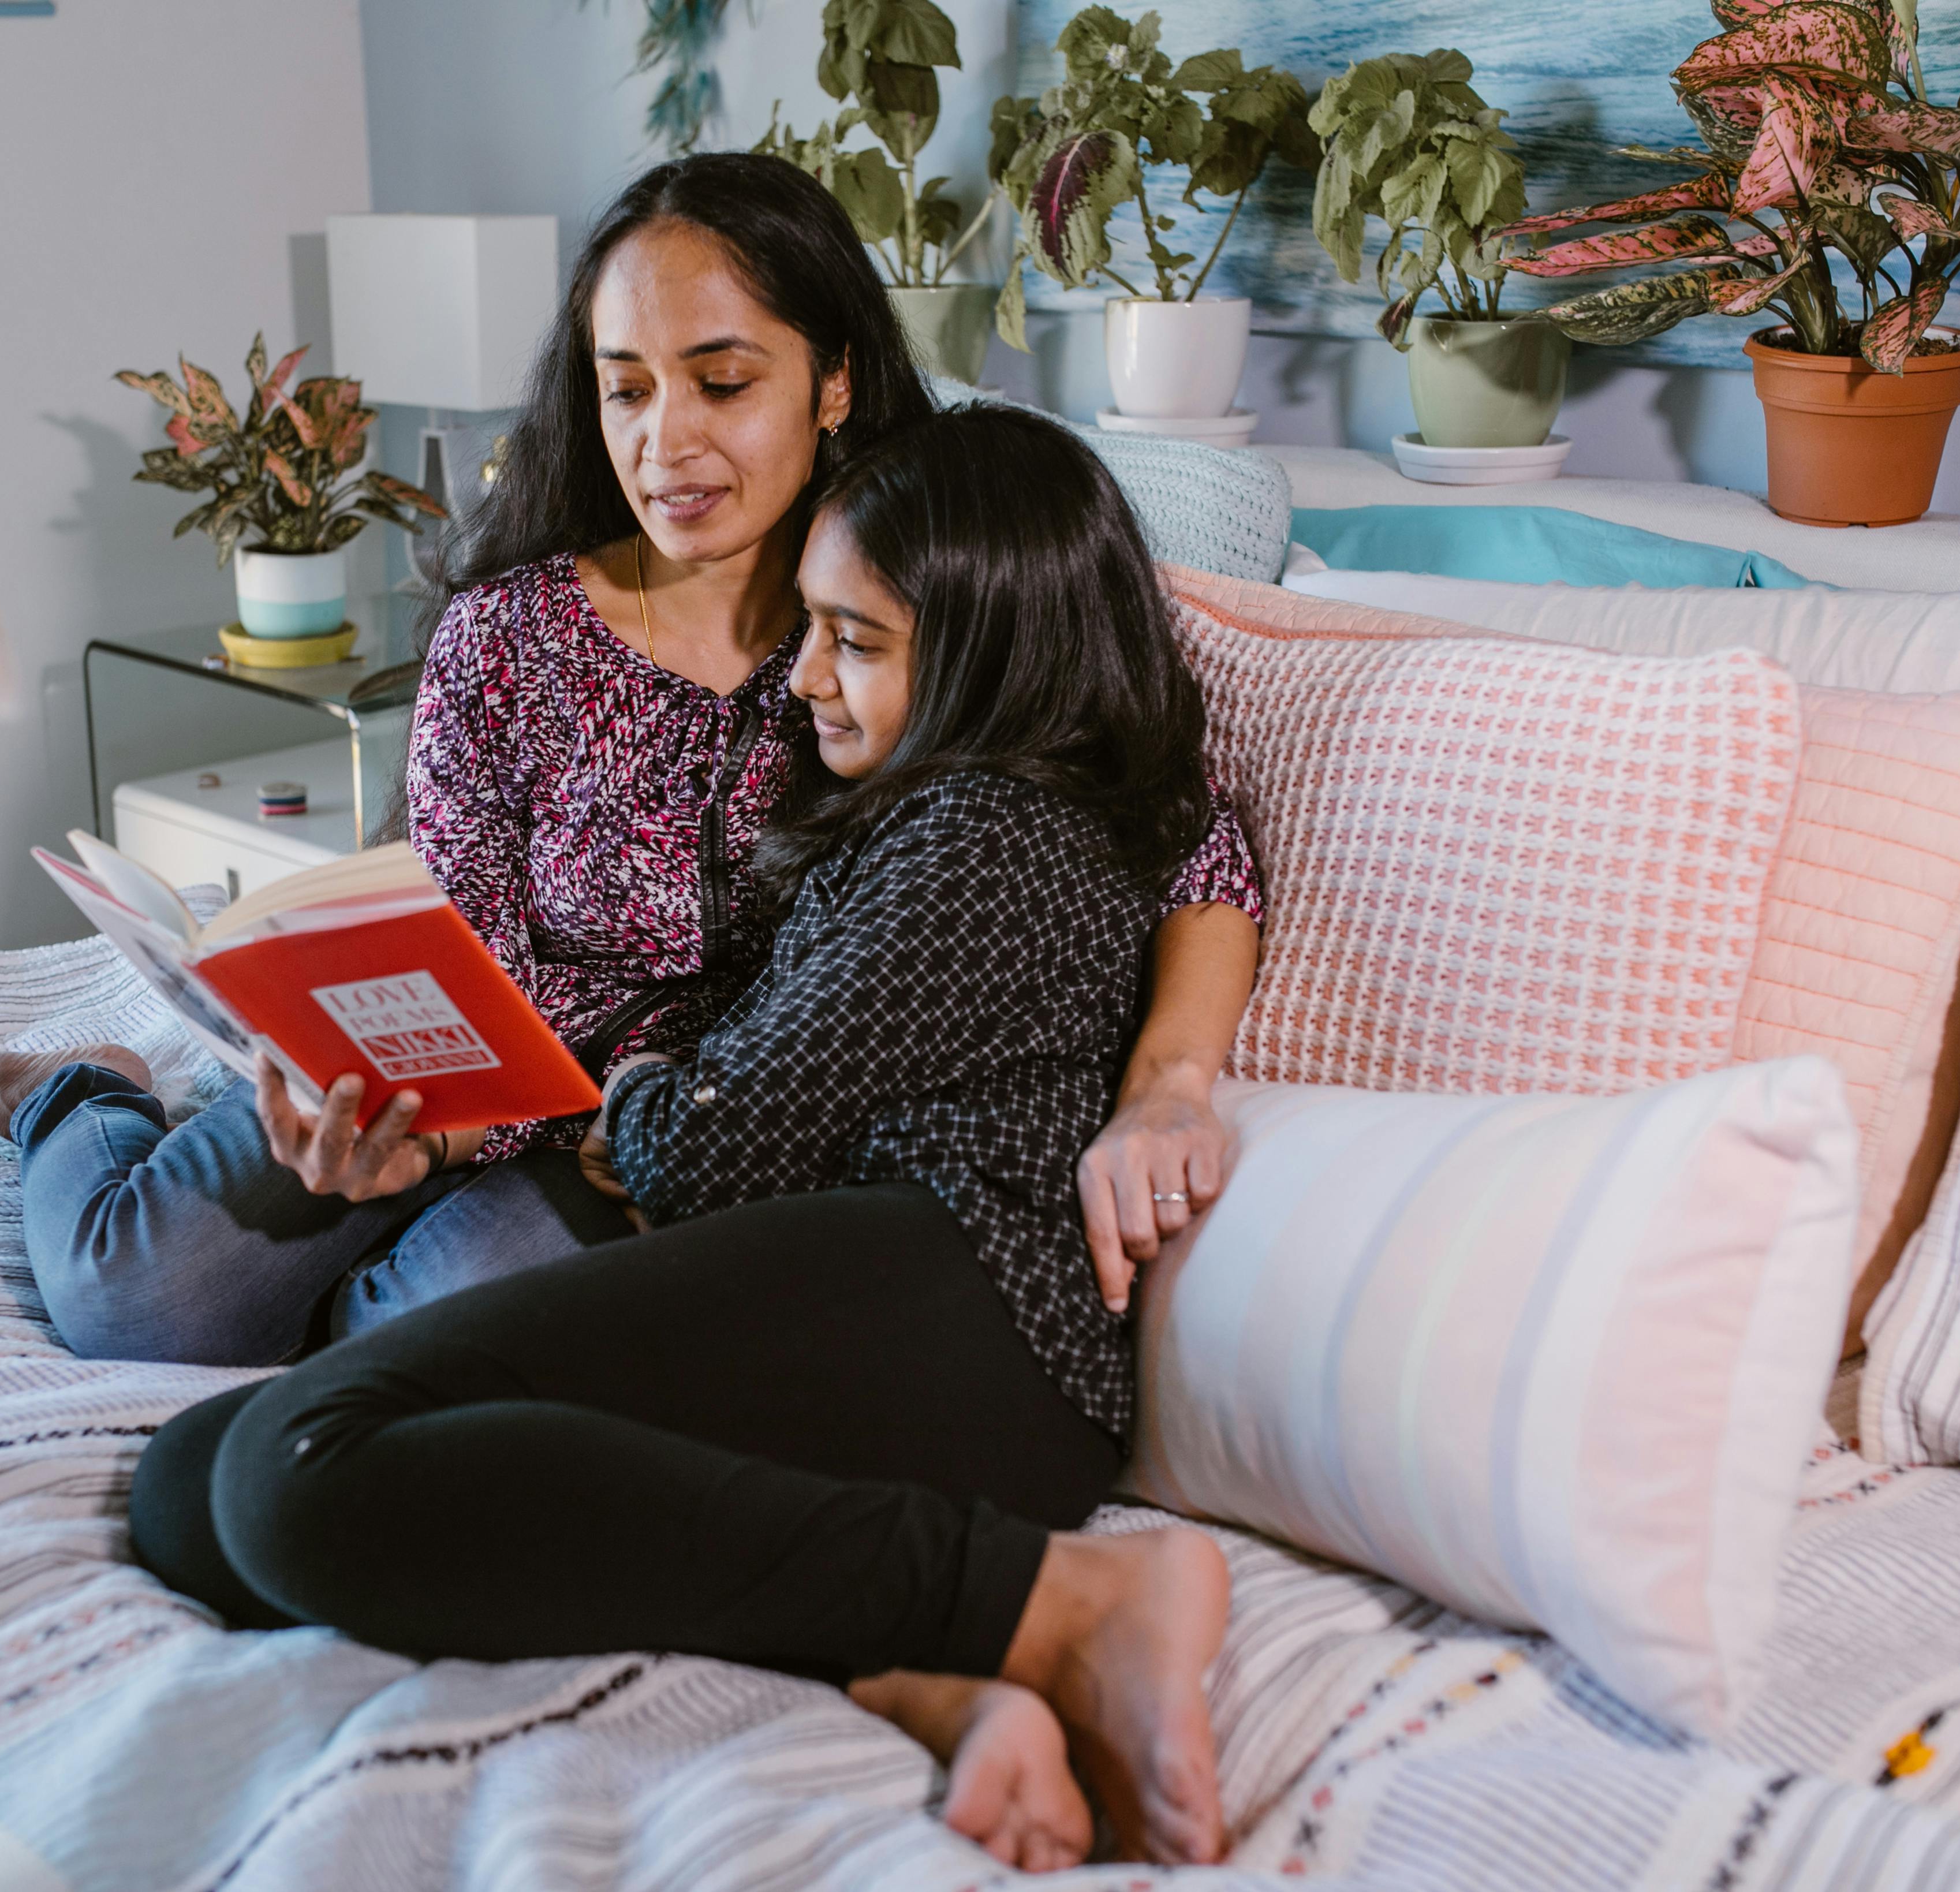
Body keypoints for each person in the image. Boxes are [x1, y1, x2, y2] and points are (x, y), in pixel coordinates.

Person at [0, 150, 1257, 1394]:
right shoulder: (510, 636)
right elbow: (456, 950)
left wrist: (1170, 1086)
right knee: (130, 1297)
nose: (664, 442)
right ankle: (72, 1097)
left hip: (657, 1146)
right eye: (624, 387)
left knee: (431, 1347)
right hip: (455, 1103)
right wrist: (401, 1134)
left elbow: (1179, 835)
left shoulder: (914, 612)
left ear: (834, 379)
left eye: (722, 380)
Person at [129, 409, 1241, 1869]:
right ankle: (920, 1672)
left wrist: (651, 1070)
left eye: (855, 640)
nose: (804, 677)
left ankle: (1069, 1601)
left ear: (987, 658)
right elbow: (723, 1134)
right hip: (878, 1312)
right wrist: (672, 1098)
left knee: (294, 1462)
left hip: (966, 1306)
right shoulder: (945, 816)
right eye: (812, 631)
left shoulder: (982, 842)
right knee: (189, 1487)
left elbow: (698, 1152)